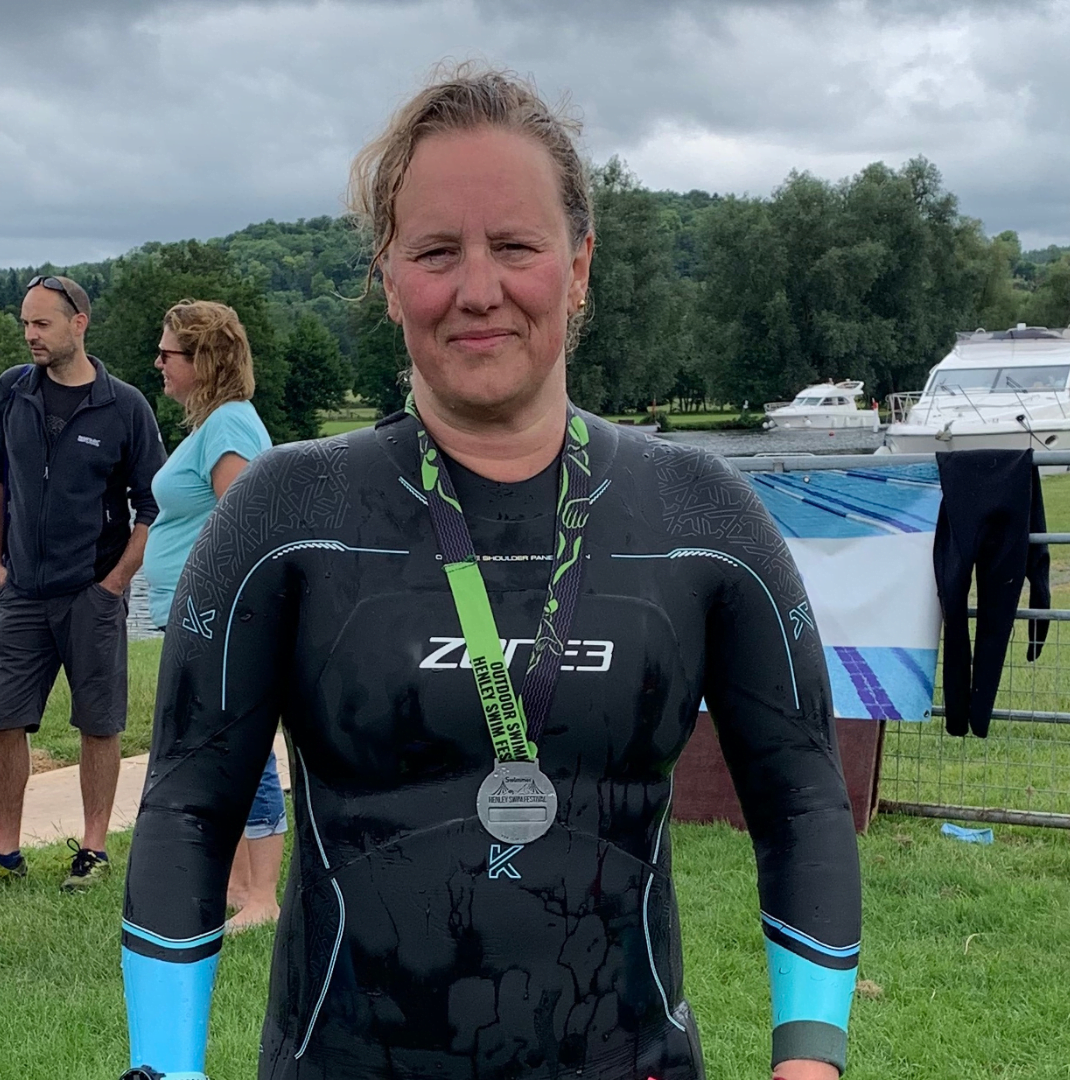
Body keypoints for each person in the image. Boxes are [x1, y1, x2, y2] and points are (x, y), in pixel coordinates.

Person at [119, 68, 860, 1080]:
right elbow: (188, 810)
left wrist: (809, 1060)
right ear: (389, 278)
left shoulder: (702, 516)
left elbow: (803, 800)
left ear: (579, 266)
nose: (477, 289)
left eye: (515, 246)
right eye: (436, 252)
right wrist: (166, 1068)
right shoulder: (286, 515)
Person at [0, 274, 165, 890]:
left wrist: (116, 582)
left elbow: (153, 504)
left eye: (41, 323)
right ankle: (6, 851)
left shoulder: (123, 406)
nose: (30, 335)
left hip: (92, 592)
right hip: (21, 593)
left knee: (99, 723)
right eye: (25, 323)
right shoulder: (12, 392)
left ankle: (93, 851)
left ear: (79, 324)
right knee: (4, 719)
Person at [141, 299, 282, 930]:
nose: (159, 363)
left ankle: (263, 896)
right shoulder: (214, 426)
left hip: (216, 618)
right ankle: (235, 884)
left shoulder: (228, 426)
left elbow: (243, 528)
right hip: (194, 616)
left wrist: (219, 611)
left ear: (204, 360)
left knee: (242, 746)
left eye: (167, 353)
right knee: (212, 745)